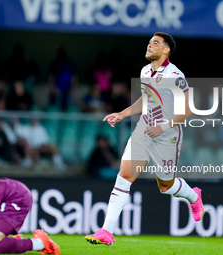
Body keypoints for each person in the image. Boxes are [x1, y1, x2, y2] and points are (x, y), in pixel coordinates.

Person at [85, 32, 204, 245]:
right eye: (149, 42)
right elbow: (147, 100)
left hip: (167, 135)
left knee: (165, 185)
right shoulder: (145, 70)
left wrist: (164, 126)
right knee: (125, 175)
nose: (149, 45)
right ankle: (106, 231)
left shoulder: (175, 75)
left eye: (155, 43)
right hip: (144, 130)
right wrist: (122, 114)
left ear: (166, 50)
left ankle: (194, 197)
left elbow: (189, 108)